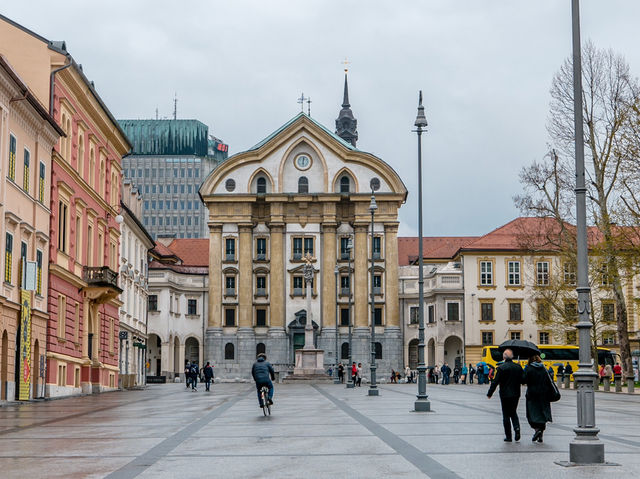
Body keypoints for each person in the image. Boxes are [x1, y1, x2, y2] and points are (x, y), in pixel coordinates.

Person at [487, 349, 524, 442]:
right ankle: (517, 428)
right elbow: (523, 380)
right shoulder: (518, 367)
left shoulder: (501, 368)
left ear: (504, 357)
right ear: (512, 357)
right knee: (513, 412)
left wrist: (490, 393)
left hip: (505, 394)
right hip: (516, 394)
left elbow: (495, 382)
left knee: (506, 415)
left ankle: (509, 436)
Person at [523, 354, 553, 443]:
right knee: (542, 413)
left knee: (532, 413)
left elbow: (523, 380)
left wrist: (522, 372)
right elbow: (549, 380)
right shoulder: (544, 368)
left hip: (532, 394)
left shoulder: (528, 368)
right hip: (544, 394)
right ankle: (541, 435)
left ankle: (537, 430)